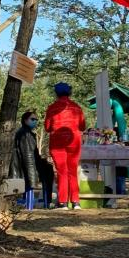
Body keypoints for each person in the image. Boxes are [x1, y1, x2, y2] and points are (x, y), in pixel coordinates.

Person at [44, 82, 86, 210]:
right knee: (73, 171)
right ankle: (76, 202)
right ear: (70, 92)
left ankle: (62, 202)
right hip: (74, 141)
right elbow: (82, 126)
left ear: (56, 93)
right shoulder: (77, 107)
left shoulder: (52, 108)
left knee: (62, 171)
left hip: (57, 143)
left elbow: (47, 127)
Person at [11, 110, 50, 209]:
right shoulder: (26, 134)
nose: (35, 121)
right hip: (25, 168)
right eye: (32, 119)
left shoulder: (26, 133)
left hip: (23, 167)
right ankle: (42, 203)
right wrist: (32, 178)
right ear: (25, 120)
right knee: (48, 171)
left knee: (48, 168)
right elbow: (28, 157)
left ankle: (45, 202)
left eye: (36, 119)